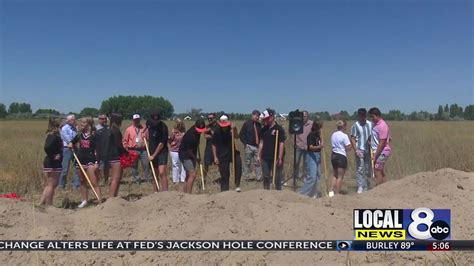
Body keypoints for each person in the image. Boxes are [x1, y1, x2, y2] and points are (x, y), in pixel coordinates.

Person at [70, 117, 102, 207]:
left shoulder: (94, 135)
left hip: (91, 160)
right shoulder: (79, 134)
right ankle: (84, 200)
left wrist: (97, 162)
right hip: (80, 160)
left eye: (83, 122)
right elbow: (72, 142)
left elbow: (98, 149)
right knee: (82, 181)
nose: (81, 124)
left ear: (89, 124)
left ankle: (99, 201)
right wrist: (71, 145)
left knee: (94, 181)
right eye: (81, 122)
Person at [257, 108, 286, 190]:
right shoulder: (263, 129)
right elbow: (261, 143)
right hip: (265, 157)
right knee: (266, 177)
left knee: (277, 178)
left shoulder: (279, 129)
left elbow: (281, 143)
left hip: (276, 157)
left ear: (272, 117)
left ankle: (277, 193)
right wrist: (258, 155)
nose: (265, 120)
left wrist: (280, 157)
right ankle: (266, 193)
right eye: (265, 119)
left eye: (267, 118)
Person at [212, 115, 243, 192]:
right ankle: (225, 190)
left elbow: (236, 136)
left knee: (238, 164)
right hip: (222, 154)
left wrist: (234, 129)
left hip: (232, 152)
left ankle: (237, 185)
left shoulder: (231, 128)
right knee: (225, 174)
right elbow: (213, 144)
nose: (225, 127)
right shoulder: (216, 131)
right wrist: (215, 157)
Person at [39, 118, 63, 205]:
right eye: (60, 123)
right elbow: (47, 147)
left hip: (50, 162)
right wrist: (54, 155)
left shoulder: (51, 134)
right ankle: (49, 205)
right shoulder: (54, 136)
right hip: (53, 163)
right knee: (52, 185)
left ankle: (41, 203)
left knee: (49, 184)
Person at [179, 119, 207, 194]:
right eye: (199, 130)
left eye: (202, 130)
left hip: (192, 154)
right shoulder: (190, 136)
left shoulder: (197, 133)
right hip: (185, 155)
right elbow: (189, 151)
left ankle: (184, 194)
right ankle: (189, 195)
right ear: (195, 127)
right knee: (192, 174)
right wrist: (197, 159)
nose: (200, 132)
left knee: (188, 175)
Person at [350, 108, 373, 194]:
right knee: (360, 168)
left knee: (367, 168)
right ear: (358, 116)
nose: (362, 118)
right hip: (359, 149)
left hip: (368, 149)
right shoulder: (355, 126)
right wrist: (355, 150)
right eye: (361, 116)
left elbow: (373, 135)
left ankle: (366, 185)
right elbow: (352, 138)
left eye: (364, 116)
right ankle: (360, 186)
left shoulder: (370, 124)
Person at [123, 114, 150, 183]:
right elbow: (125, 141)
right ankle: (136, 179)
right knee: (134, 166)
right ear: (133, 120)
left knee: (146, 164)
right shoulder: (128, 130)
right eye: (135, 120)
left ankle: (148, 178)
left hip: (143, 149)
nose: (137, 121)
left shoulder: (144, 128)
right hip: (133, 149)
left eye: (138, 119)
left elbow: (148, 138)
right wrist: (126, 150)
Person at [299, 121, 323, 198]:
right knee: (312, 176)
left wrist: (322, 140)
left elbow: (320, 143)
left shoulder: (319, 135)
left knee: (318, 175)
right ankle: (302, 193)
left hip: (318, 155)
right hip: (311, 156)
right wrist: (319, 147)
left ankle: (313, 193)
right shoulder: (311, 135)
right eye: (320, 127)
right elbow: (311, 147)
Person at [147, 111, 169, 192]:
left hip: (162, 152)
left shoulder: (163, 127)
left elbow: (161, 144)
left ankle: (165, 192)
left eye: (157, 120)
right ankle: (155, 192)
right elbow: (146, 127)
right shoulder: (149, 123)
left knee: (162, 172)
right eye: (154, 120)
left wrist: (154, 155)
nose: (155, 122)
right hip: (151, 151)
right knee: (154, 173)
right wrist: (144, 133)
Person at [369, 107, 391, 186]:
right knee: (380, 171)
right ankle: (386, 188)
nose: (371, 119)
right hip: (377, 151)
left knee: (377, 170)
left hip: (382, 152)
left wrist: (375, 156)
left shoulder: (382, 125)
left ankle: (378, 189)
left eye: (372, 117)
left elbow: (381, 143)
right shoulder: (375, 124)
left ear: (377, 115)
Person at [329, 120, 352, 197]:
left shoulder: (333, 134)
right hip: (341, 156)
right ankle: (337, 193)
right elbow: (348, 148)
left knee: (335, 175)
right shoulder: (344, 136)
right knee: (340, 176)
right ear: (343, 126)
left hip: (334, 155)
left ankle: (331, 192)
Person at [107, 113, 127, 197]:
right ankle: (112, 198)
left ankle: (114, 196)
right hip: (116, 156)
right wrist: (126, 153)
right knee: (116, 178)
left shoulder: (109, 129)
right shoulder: (115, 130)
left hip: (110, 155)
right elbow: (118, 145)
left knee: (115, 178)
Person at [239, 110, 262, 181]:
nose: (257, 117)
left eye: (258, 116)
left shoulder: (259, 125)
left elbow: (261, 135)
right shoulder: (246, 124)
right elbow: (241, 134)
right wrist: (245, 144)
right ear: (252, 115)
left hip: (257, 147)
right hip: (249, 146)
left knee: (258, 162)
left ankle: (259, 177)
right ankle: (246, 177)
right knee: (247, 162)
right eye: (256, 115)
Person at [58, 114, 80, 189]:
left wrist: (77, 129)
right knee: (65, 168)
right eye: (73, 120)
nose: (75, 121)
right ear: (69, 121)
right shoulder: (64, 128)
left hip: (75, 147)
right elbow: (68, 139)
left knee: (76, 167)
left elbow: (77, 137)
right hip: (67, 148)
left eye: (75, 119)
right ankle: (61, 185)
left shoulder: (75, 128)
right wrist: (73, 142)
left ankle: (76, 185)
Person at [291, 110, 313, 184]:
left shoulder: (311, 124)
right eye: (302, 116)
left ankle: (304, 177)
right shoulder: (298, 123)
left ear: (308, 116)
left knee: (306, 163)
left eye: (305, 116)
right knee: (296, 162)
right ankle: (295, 176)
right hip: (298, 146)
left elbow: (314, 135)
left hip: (308, 147)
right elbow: (294, 134)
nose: (303, 117)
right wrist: (296, 143)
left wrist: (309, 145)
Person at [169, 119, 186, 184]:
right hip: (174, 150)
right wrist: (171, 143)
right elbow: (170, 139)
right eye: (178, 123)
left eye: (181, 123)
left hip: (183, 150)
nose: (180, 125)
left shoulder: (184, 132)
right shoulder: (173, 132)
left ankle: (183, 179)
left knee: (183, 165)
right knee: (175, 165)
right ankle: (175, 180)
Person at [95, 114, 110, 185]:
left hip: (108, 151)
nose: (104, 120)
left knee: (107, 167)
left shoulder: (108, 128)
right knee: (100, 167)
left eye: (105, 118)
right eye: (102, 119)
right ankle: (100, 180)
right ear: (99, 119)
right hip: (99, 152)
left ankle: (106, 180)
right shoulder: (96, 129)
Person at [203, 113, 218, 179]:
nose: (209, 120)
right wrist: (213, 136)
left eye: (211, 118)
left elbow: (219, 136)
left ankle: (223, 178)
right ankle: (204, 179)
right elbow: (205, 136)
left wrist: (211, 132)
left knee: (219, 164)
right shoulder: (207, 126)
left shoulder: (219, 126)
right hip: (208, 147)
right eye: (208, 118)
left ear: (215, 118)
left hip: (218, 147)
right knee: (206, 164)